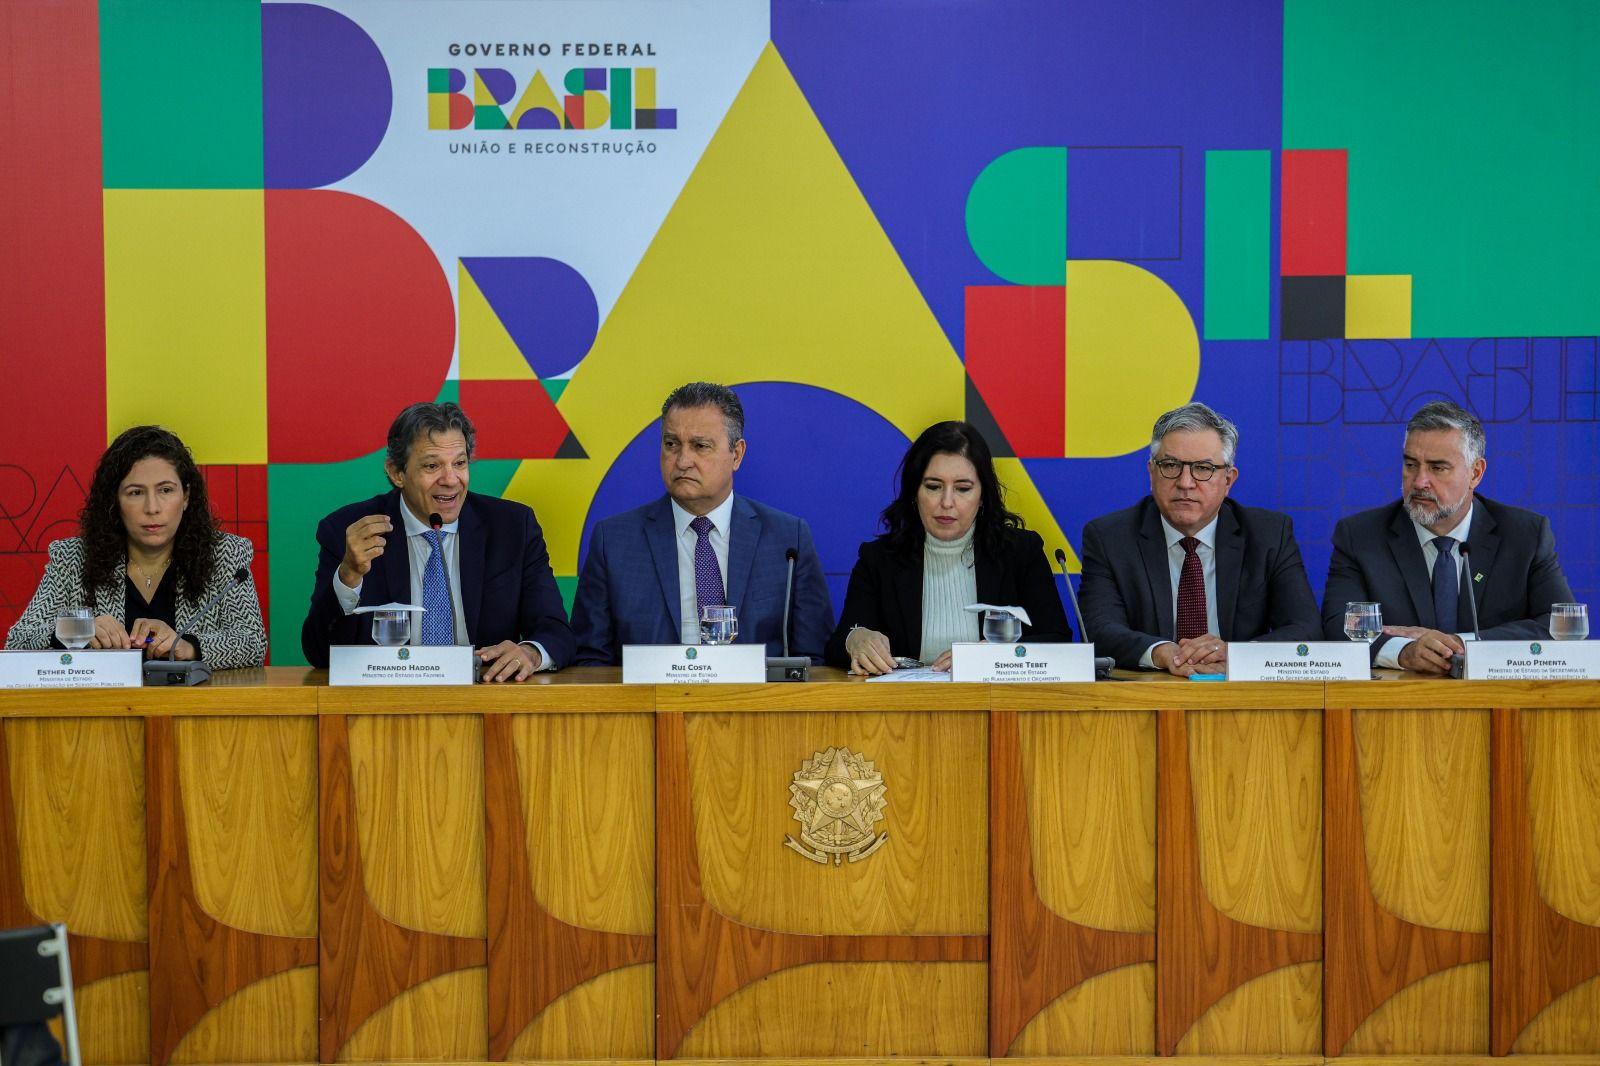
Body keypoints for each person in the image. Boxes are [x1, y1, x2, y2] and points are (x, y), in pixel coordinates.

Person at [300, 401, 573, 679]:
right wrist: (349, 576)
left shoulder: (513, 528)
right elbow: (320, 654)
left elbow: (556, 631)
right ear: (397, 473)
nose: (451, 479)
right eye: (432, 466)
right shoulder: (351, 532)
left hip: (486, 702)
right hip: (386, 707)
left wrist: (530, 652)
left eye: (460, 463)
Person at [570, 382, 833, 664]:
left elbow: (814, 659)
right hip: (650, 704)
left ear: (737, 454)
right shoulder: (614, 541)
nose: (683, 460)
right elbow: (590, 661)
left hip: (755, 705)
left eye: (700, 446)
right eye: (672, 444)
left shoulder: (787, 539)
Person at [1321, 400, 1574, 674]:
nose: (1419, 482)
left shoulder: (1525, 535)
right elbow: (1337, 626)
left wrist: (1461, 644)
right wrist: (1403, 651)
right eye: (1410, 465)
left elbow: (1560, 625)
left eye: (1438, 468)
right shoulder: (1360, 536)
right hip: (1397, 706)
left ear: (1475, 473)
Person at [1078, 402, 1320, 675]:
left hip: (1243, 700)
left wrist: (1234, 654)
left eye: (1203, 468)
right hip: (1148, 698)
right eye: (1170, 465)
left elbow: (1306, 628)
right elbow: (1098, 631)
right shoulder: (1110, 538)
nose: (1185, 482)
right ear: (1151, 472)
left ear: (1228, 480)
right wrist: (1162, 652)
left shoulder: (1268, 535)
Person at [5, 426, 266, 667]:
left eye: (165, 490)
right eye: (135, 493)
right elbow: (17, 642)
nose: (152, 508)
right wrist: (78, 631)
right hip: (102, 711)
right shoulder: (73, 558)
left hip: (193, 711)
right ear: (115, 501)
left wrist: (188, 646)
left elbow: (252, 643)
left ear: (185, 497)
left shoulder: (224, 555)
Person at [824, 420, 1071, 674]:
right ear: (914, 492)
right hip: (904, 708)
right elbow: (836, 647)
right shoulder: (879, 559)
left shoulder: (1019, 552)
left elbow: (1057, 642)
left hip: (998, 704)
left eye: (963, 488)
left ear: (983, 495)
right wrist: (854, 639)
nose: (947, 502)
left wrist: (996, 656)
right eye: (933, 487)